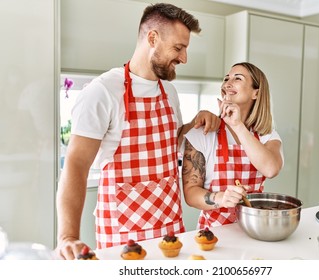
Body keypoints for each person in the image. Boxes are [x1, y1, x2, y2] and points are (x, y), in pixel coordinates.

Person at [55, 3, 220, 260]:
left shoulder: (169, 92)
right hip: (124, 233)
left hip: (169, 225)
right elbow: (76, 164)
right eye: (179, 48)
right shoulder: (103, 92)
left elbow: (169, 143)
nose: (184, 58)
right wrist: (68, 237)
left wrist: (195, 124)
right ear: (152, 38)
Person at [182, 62, 284, 229]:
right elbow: (191, 193)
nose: (227, 83)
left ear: (256, 93)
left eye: (237, 78)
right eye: (226, 78)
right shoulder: (204, 133)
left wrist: (237, 126)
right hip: (213, 236)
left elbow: (271, 169)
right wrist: (220, 198)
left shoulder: (267, 135)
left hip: (255, 230)